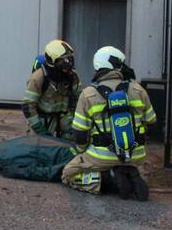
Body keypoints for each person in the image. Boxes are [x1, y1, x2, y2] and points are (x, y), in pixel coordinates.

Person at [62, 46, 156, 201]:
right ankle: (129, 171)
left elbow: (80, 133)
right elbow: (151, 122)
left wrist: (81, 152)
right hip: (135, 154)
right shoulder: (138, 89)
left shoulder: (88, 94)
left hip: (102, 156)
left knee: (68, 173)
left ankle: (110, 179)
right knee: (130, 161)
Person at [22, 39, 80, 138]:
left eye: (70, 59)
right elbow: (28, 106)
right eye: (64, 60)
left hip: (65, 118)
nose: (69, 63)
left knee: (70, 146)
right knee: (36, 145)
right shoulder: (38, 78)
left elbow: (79, 98)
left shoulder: (72, 76)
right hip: (42, 119)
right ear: (53, 61)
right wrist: (39, 130)